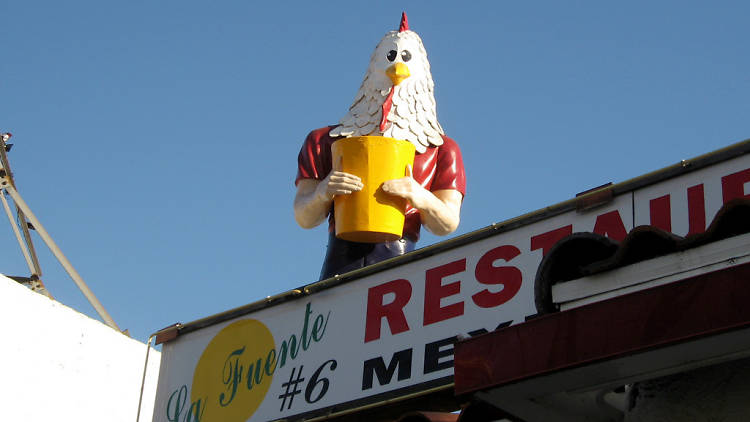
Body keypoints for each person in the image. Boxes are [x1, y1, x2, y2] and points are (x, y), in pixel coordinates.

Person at [294, 126, 465, 280]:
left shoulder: (442, 148)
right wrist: (321, 193)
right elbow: (304, 217)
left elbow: (447, 223)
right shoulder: (322, 141)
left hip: (400, 261)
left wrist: (422, 197)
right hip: (339, 262)